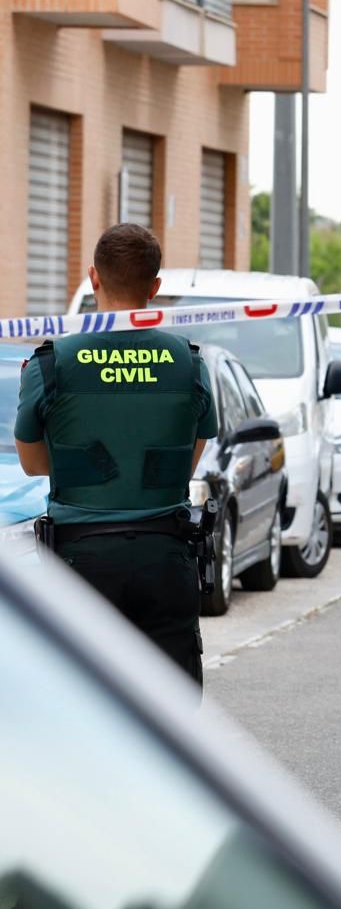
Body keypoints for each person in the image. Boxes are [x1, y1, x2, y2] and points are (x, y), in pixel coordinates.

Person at [14, 224, 217, 686]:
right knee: (173, 710)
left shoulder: (51, 362)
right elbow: (187, 460)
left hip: (81, 561)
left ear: (93, 278)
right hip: (164, 557)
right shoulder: (188, 362)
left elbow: (33, 464)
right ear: (156, 287)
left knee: (85, 707)